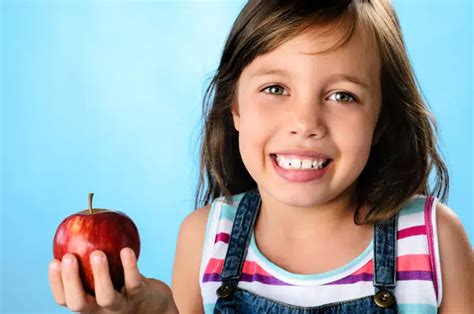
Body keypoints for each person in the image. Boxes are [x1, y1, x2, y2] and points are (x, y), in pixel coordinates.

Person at [48, 0, 473, 312]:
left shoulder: (433, 239)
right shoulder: (205, 239)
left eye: (343, 96)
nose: (306, 122)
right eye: (275, 89)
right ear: (234, 106)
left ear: (381, 120)